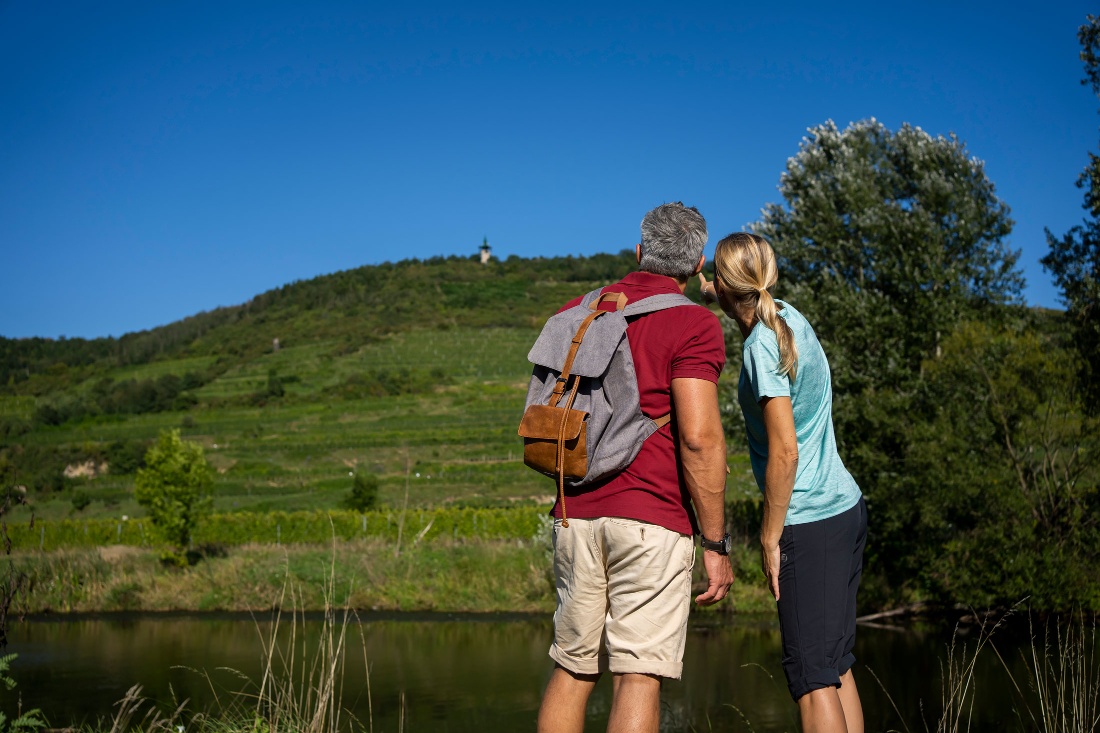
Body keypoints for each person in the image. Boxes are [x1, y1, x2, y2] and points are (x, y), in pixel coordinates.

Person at [536, 202, 734, 733]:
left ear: (640, 250)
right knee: (638, 677)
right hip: (652, 518)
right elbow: (699, 440)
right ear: (697, 265)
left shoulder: (579, 312)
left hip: (574, 514)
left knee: (572, 668)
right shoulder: (694, 323)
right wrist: (716, 544)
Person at [700, 232, 868, 733]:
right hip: (844, 510)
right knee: (834, 665)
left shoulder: (759, 348)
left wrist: (770, 537)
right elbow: (742, 297)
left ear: (728, 289)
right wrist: (711, 288)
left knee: (811, 678)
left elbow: (785, 451)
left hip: (807, 523)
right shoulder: (790, 319)